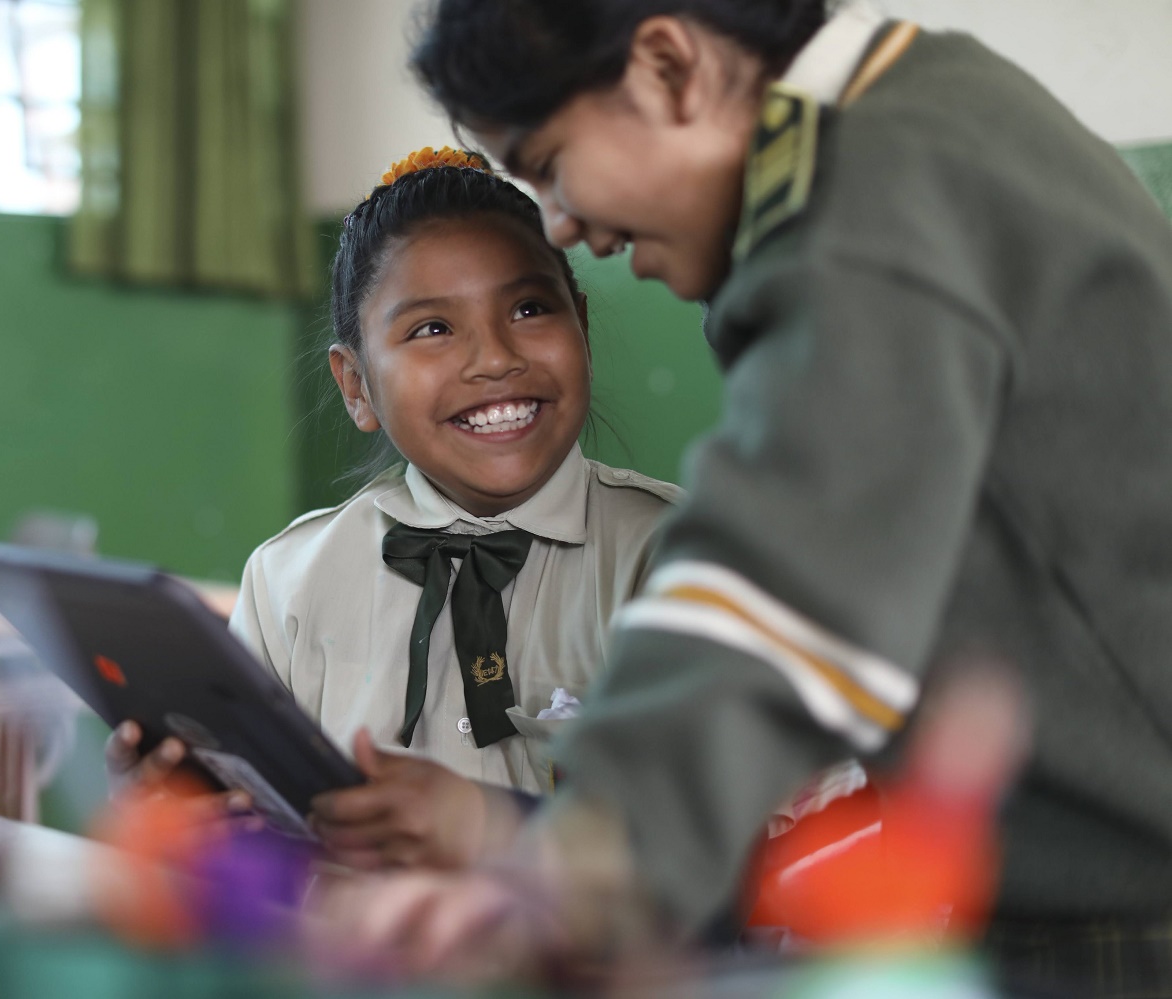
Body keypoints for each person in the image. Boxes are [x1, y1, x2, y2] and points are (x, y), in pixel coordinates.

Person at [316, 0, 1172, 992]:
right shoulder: (929, 113)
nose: (560, 223)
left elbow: (783, 583)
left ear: (672, 68)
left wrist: (576, 873)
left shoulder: (874, 196)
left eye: (550, 163)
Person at [108, 147, 682, 872]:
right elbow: (251, 865)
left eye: (531, 308)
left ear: (584, 327)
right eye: (432, 328)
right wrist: (186, 820)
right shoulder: (290, 580)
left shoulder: (680, 562)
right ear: (355, 385)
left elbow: (745, 859)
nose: (494, 358)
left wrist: (491, 826)